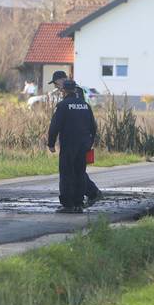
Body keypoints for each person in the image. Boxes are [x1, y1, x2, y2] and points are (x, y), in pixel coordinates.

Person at [48, 71, 103, 206]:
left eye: (56, 83)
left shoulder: (67, 101)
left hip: (70, 140)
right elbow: (92, 125)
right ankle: (80, 199)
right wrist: (90, 141)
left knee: (69, 172)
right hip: (83, 140)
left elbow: (56, 124)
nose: (56, 87)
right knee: (79, 170)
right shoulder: (85, 104)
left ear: (62, 83)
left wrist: (51, 142)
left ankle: (73, 200)